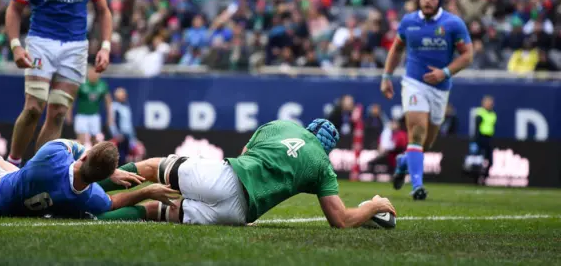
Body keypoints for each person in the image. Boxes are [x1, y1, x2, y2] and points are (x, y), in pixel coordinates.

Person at [101, 119, 396, 227]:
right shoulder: (323, 166)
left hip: (226, 177)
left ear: (307, 128)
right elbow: (341, 221)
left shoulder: (283, 125)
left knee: (154, 168)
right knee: (155, 211)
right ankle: (99, 214)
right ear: (328, 149)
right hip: (239, 214)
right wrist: (374, 206)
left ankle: (93, 185)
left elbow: (244, 154)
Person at [5, 0, 113, 166]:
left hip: (75, 47)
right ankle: (12, 163)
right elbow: (14, 9)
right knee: (34, 108)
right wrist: (15, 46)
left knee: (58, 113)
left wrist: (105, 47)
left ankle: (36, 171)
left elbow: (103, 10)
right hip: (41, 42)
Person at [0, 132, 178, 218]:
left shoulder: (52, 158)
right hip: (12, 193)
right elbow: (114, 202)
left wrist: (98, 159)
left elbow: (73, 146)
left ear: (85, 158)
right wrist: (144, 191)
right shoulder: (90, 197)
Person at [380, 0, 473, 200]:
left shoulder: (452, 24)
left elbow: (467, 55)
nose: (427, 1)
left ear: (439, 0)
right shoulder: (409, 21)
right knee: (417, 132)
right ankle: (417, 186)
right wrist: (386, 77)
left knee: (427, 142)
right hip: (414, 83)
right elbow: (396, 48)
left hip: (440, 88)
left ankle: (404, 162)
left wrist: (445, 73)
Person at [69, 66, 112, 147]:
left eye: (96, 73)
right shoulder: (82, 84)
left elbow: (108, 102)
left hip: (94, 116)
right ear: (88, 74)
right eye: (91, 73)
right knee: (81, 140)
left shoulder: (102, 85)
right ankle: (80, 157)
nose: (94, 75)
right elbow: (72, 99)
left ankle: (94, 158)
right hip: (82, 116)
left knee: (96, 140)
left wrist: (110, 117)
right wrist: (69, 114)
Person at [463, 95, 496, 185]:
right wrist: (474, 140)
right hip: (480, 138)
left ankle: (484, 178)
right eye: (487, 102)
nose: (489, 104)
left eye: (490, 102)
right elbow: (476, 128)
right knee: (477, 160)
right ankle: (476, 180)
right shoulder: (480, 113)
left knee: (490, 161)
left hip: (488, 139)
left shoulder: (493, 114)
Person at [109, 87, 145, 166]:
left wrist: (133, 137)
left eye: (124, 95)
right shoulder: (114, 106)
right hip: (120, 135)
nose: (124, 96)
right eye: (122, 95)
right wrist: (116, 134)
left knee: (131, 154)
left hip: (128, 135)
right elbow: (112, 122)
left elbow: (128, 123)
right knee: (120, 155)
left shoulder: (126, 106)